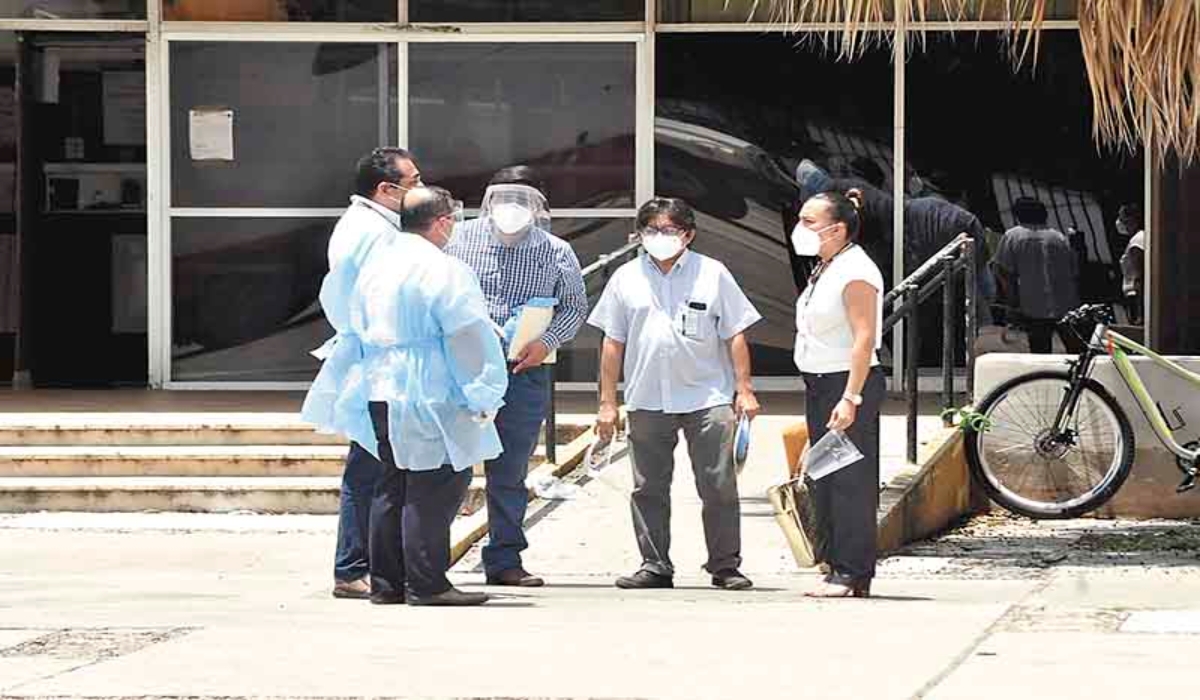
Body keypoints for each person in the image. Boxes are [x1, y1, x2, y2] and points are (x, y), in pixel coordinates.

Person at [302, 186, 507, 607]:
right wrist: (484, 390)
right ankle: (427, 582)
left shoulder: (377, 268)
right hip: (429, 387)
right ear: (444, 222)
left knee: (392, 482)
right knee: (435, 483)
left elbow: (348, 318)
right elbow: (468, 333)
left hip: (379, 383)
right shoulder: (444, 269)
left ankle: (387, 582)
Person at [589, 197, 762, 591]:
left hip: (707, 397)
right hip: (647, 398)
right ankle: (654, 565)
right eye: (651, 230)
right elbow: (612, 342)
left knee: (718, 485)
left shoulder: (712, 274)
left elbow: (735, 332)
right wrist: (606, 402)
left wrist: (744, 389)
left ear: (689, 234)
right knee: (648, 487)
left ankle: (725, 565)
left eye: (669, 230)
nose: (660, 237)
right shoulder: (625, 278)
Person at [445, 166, 587, 588]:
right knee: (449, 466)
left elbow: (575, 307)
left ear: (539, 205)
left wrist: (546, 342)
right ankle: (428, 553)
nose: (512, 208)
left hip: (524, 372)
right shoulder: (457, 240)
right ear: (488, 200)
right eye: (504, 198)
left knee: (510, 471)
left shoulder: (556, 250)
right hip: (464, 368)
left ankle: (505, 558)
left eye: (522, 199)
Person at [322, 147, 422, 600]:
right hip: (375, 357)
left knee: (374, 462)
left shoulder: (374, 226)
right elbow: (360, 297)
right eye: (414, 181)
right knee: (370, 466)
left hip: (375, 356)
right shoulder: (370, 232)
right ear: (387, 189)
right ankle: (353, 567)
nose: (420, 190)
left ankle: (365, 562)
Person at [792, 188, 886, 599]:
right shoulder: (826, 267)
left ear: (838, 228)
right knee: (826, 476)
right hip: (819, 382)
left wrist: (851, 397)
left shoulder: (856, 271)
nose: (801, 228)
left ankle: (852, 571)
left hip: (845, 384)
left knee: (850, 480)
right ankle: (835, 564)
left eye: (809, 222)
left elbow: (863, 338)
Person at [992, 197, 1081, 354]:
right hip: (1065, 303)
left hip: (1032, 305)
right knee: (1074, 349)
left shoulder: (1013, 236)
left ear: (1018, 215)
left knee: (1040, 350)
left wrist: (1012, 302)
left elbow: (1004, 271)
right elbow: (1073, 271)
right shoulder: (1058, 237)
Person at [1118, 205, 1145, 324]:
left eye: (1122, 219)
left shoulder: (1137, 241)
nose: (1119, 222)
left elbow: (1138, 274)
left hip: (1134, 295)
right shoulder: (1138, 238)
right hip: (1133, 294)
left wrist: (1140, 312)